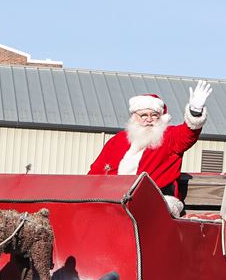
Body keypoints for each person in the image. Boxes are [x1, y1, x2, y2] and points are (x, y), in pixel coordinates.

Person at [88, 80, 213, 216]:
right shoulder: (117, 141)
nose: (149, 119)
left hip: (158, 199)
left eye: (154, 115)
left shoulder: (169, 137)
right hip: (116, 200)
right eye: (144, 115)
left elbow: (188, 134)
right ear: (134, 117)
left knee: (140, 210)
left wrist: (195, 112)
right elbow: (96, 172)